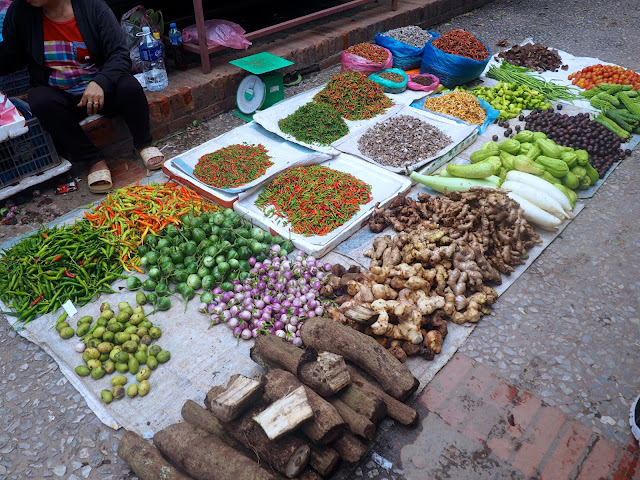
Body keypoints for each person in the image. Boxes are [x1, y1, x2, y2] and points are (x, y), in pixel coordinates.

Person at [0, 0, 165, 193]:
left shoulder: (93, 7)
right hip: (64, 98)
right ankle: (94, 160)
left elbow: (120, 54)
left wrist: (100, 82)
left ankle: (143, 144)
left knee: (129, 86)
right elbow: (12, 58)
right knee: (39, 99)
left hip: (103, 92)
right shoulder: (21, 12)